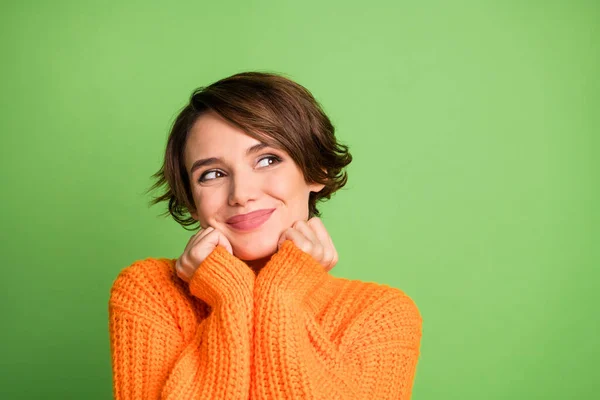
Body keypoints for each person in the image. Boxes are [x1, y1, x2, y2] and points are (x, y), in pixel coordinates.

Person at [108, 71, 423, 399]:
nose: (241, 194)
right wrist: (229, 295)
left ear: (317, 170)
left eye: (267, 159)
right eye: (212, 174)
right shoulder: (151, 292)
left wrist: (281, 295)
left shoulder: (380, 316)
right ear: (191, 202)